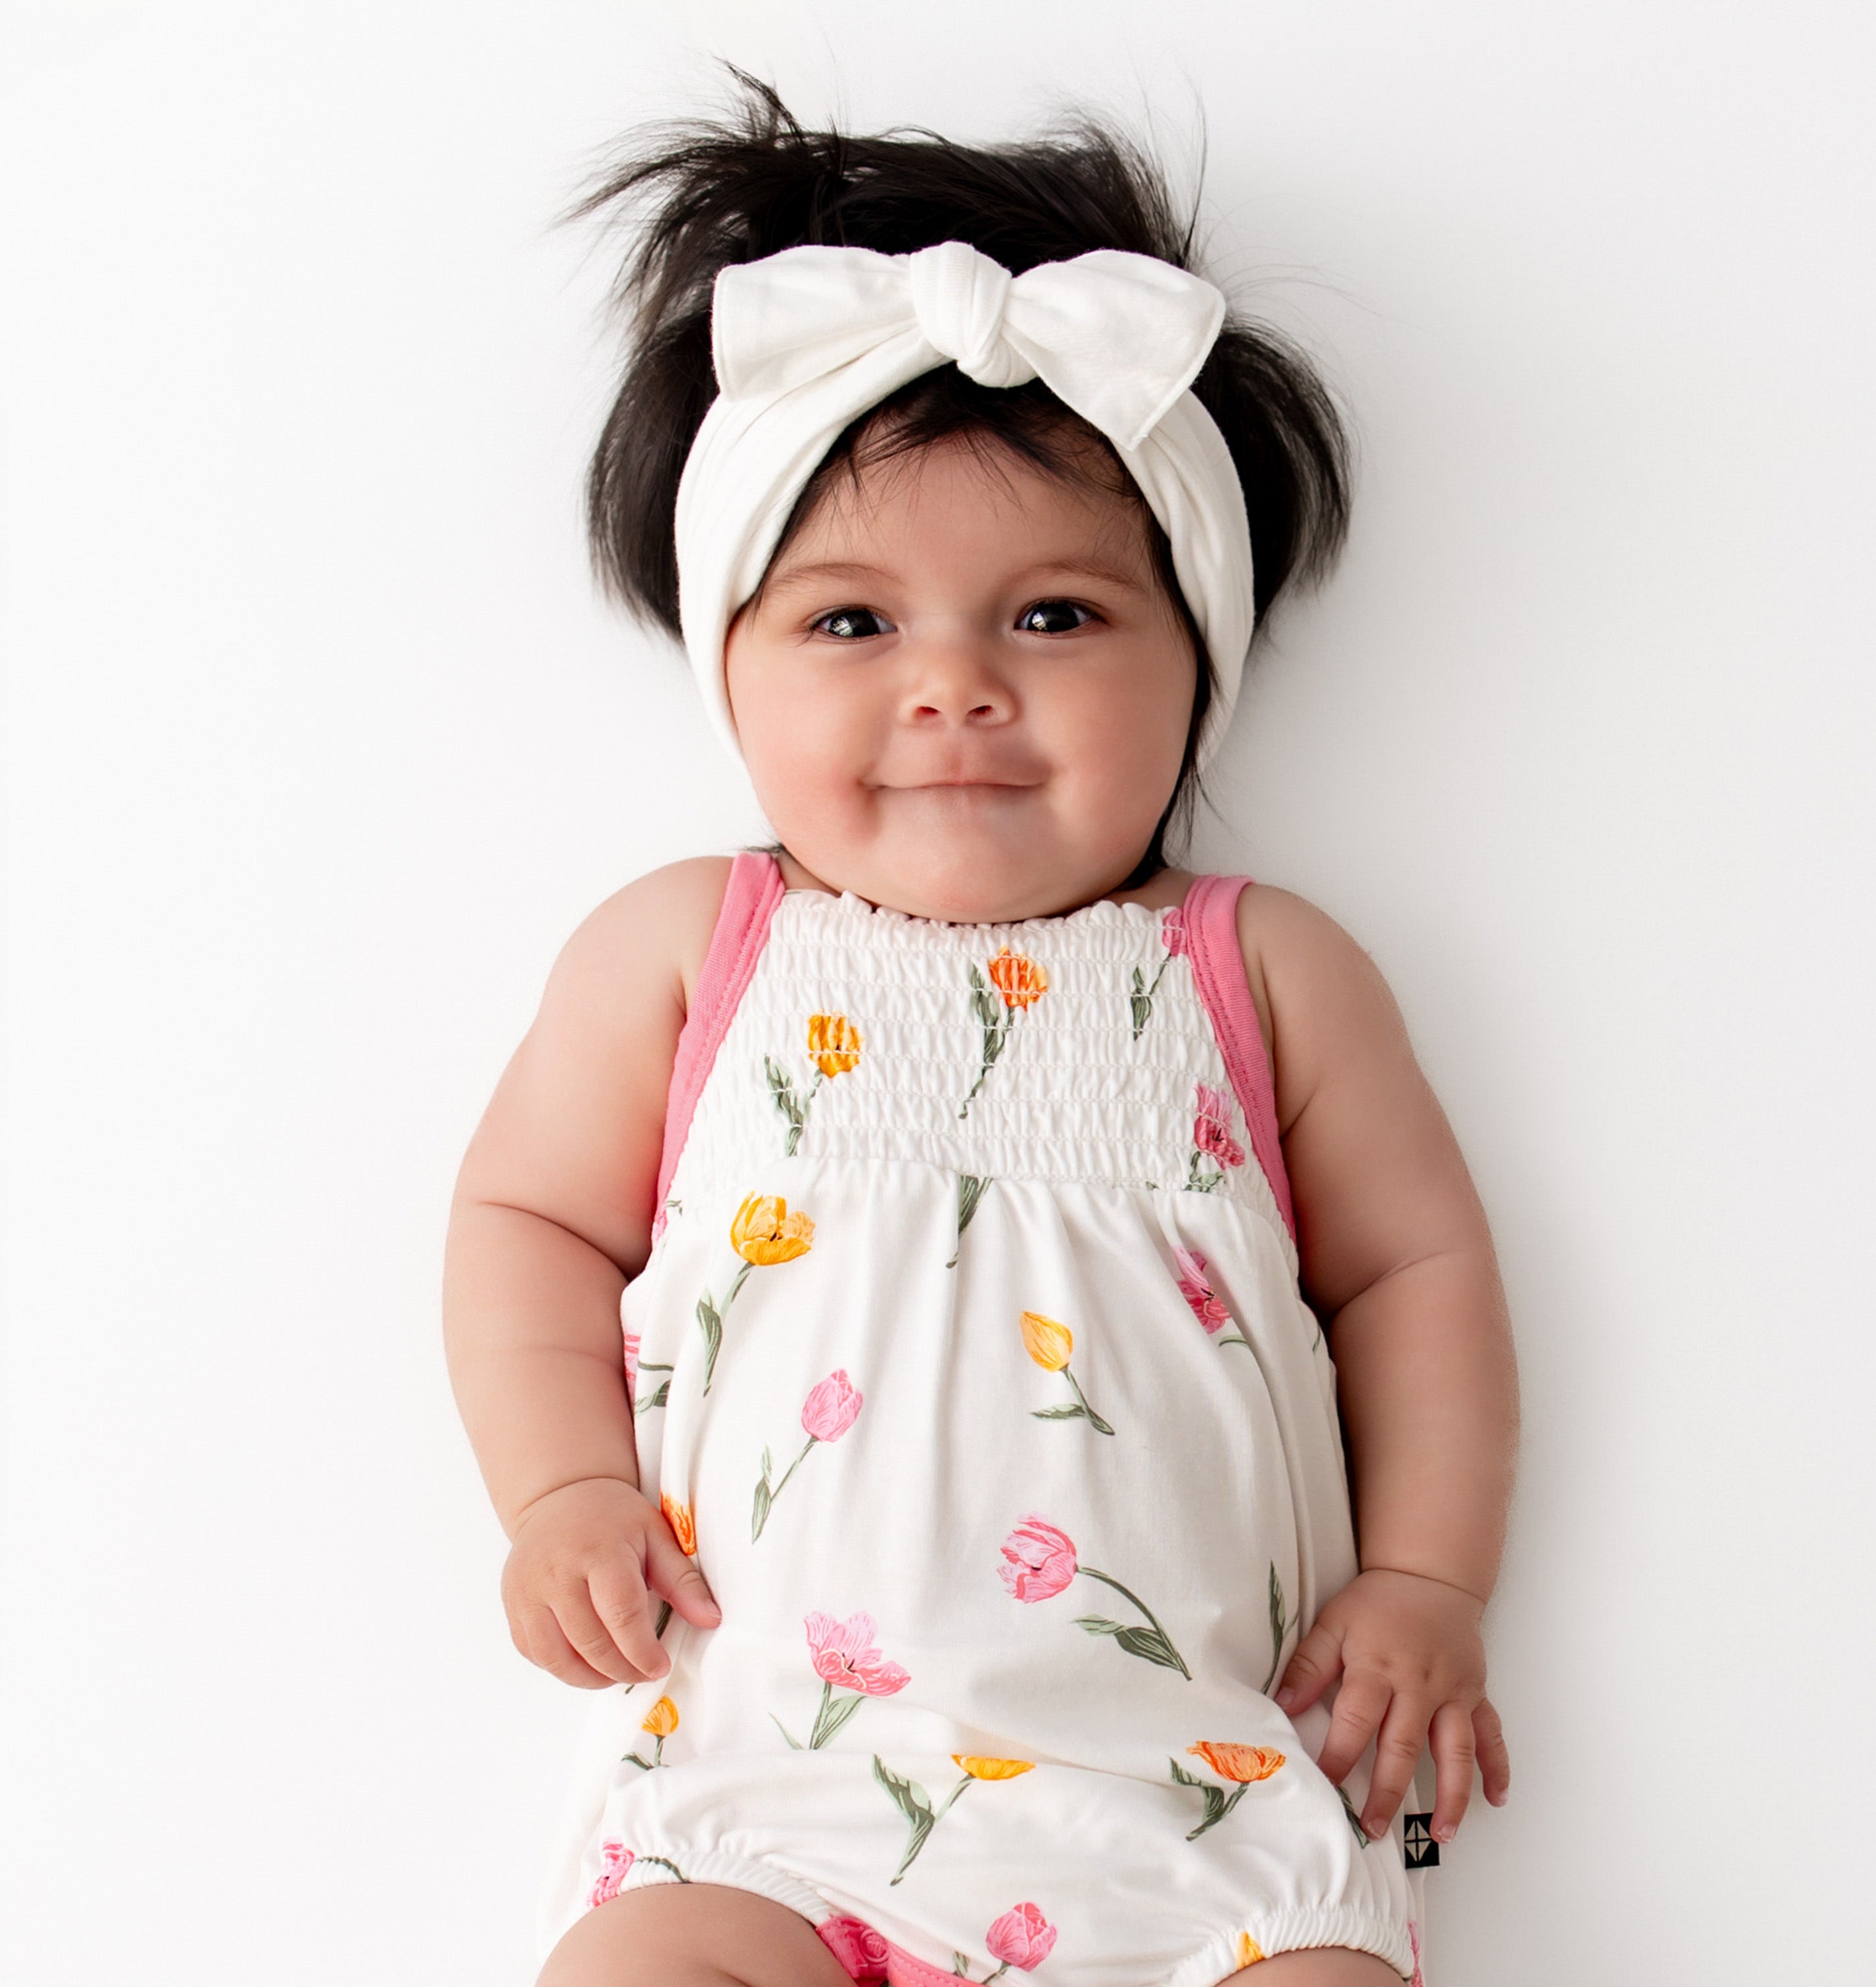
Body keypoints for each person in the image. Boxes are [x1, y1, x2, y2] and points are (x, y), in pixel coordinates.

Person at [443, 72, 1516, 1987]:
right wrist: (563, 1490)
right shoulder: (694, 956)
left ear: (1197, 660)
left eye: (1053, 618)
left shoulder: (1261, 974)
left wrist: (1425, 1579)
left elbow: (1419, 1273)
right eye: (851, 625)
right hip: (778, 1788)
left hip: (1200, 1798)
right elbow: (526, 1224)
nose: (953, 692)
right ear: (730, 668)